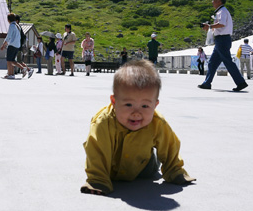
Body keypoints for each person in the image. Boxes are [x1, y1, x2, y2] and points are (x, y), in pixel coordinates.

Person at [81, 60, 195, 195]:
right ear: (114, 101)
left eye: (145, 106)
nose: (136, 113)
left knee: (154, 163)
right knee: (98, 152)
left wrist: (175, 170)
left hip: (144, 165)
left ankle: (160, 163)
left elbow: (170, 146)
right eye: (128, 105)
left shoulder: (157, 122)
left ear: (155, 105)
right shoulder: (103, 123)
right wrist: (98, 179)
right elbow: (96, 151)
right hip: (110, 166)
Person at [198, 0, 248, 92]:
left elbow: (222, 24)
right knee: (212, 63)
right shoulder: (221, 11)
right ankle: (207, 83)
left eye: (213, 0)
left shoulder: (222, 11)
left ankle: (241, 82)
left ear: (219, 1)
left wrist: (210, 26)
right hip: (221, 40)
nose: (212, 2)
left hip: (222, 40)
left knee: (228, 62)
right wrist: (211, 26)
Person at [1, 13, 33, 79]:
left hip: (12, 45)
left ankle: (14, 72)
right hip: (17, 45)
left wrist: (4, 44)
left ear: (9, 19)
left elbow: (8, 36)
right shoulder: (17, 26)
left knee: (9, 60)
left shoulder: (12, 26)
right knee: (12, 60)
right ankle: (12, 73)